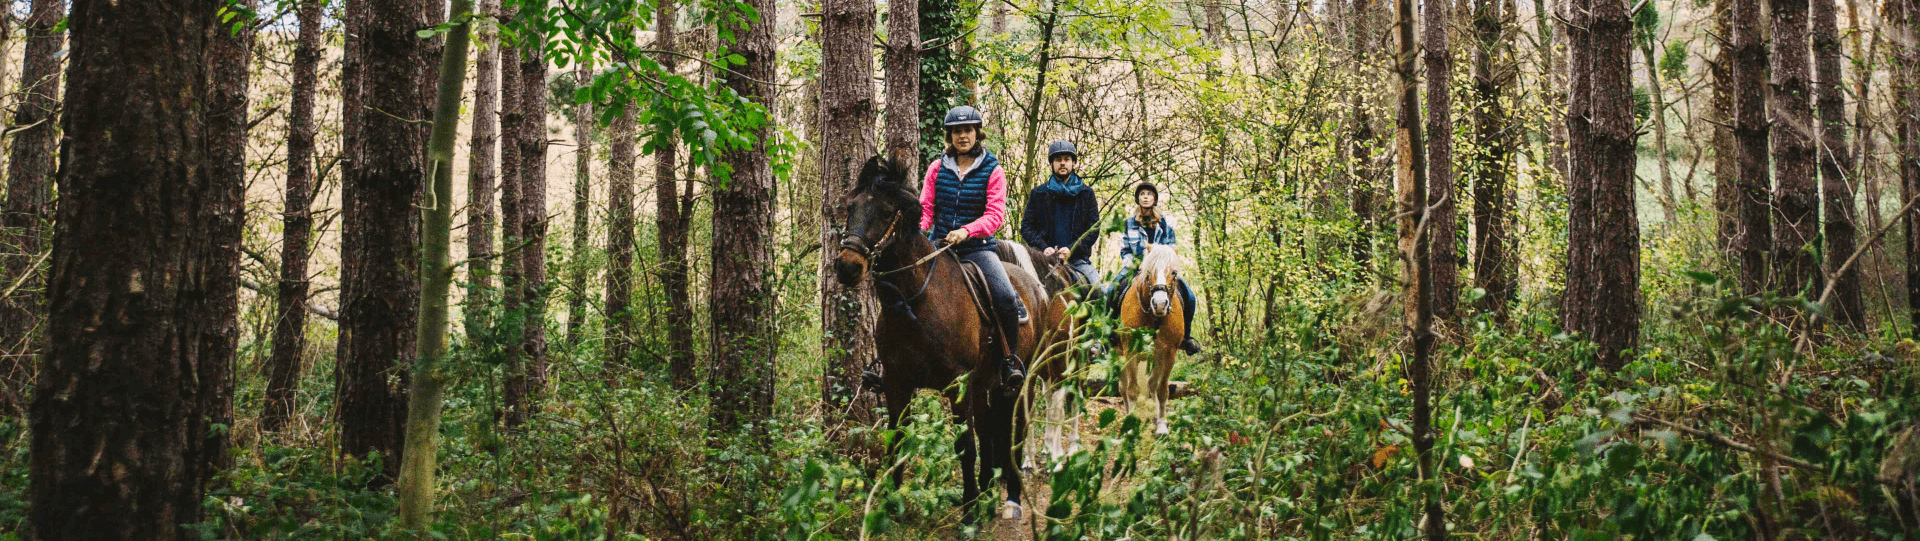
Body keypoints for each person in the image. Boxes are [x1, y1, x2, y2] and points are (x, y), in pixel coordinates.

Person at [920, 105, 1029, 390]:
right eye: (957, 131)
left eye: (967, 130)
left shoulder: (993, 169)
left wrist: (967, 231)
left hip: (977, 249)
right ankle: (890, 359)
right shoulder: (936, 168)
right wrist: (918, 232)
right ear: (950, 135)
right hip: (939, 245)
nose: (962, 136)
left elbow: (995, 215)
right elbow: (926, 209)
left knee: (1005, 297)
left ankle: (1010, 361)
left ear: (976, 133)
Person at [1112, 182, 1203, 355]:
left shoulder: (1165, 223)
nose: (1145, 197)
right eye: (1142, 194)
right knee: (1111, 290)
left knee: (1189, 296)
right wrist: (1134, 262)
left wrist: (1160, 259)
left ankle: (1186, 338)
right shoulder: (1129, 223)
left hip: (1161, 269)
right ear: (1138, 199)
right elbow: (1125, 249)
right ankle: (1111, 335)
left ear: (1154, 199)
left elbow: (1172, 246)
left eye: (1149, 194)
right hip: (1135, 267)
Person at [1019, 140, 1101, 287]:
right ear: (1052, 164)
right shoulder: (1038, 194)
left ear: (1073, 163)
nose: (1062, 163)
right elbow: (1026, 227)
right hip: (1042, 260)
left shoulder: (1086, 193)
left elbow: (1093, 229)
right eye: (1058, 159)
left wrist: (1072, 249)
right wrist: (1043, 247)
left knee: (1100, 292)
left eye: (1067, 159)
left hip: (1077, 261)